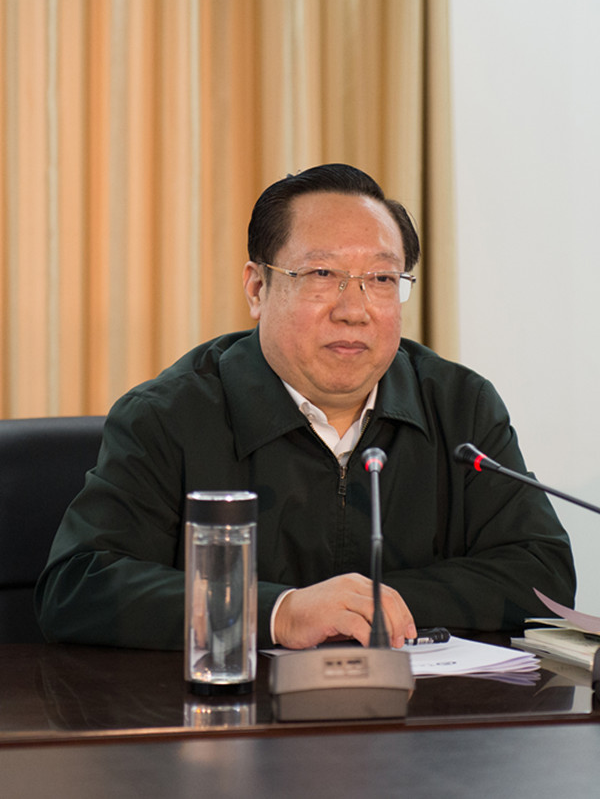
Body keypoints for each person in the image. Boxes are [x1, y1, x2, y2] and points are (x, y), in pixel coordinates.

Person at [35, 163, 576, 650]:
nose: (354, 310)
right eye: (322, 275)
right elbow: (78, 585)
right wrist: (279, 612)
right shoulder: (169, 416)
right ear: (257, 288)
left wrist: (373, 605)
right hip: (229, 717)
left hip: (417, 716)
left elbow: (542, 572)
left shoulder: (460, 407)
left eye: (381, 279)